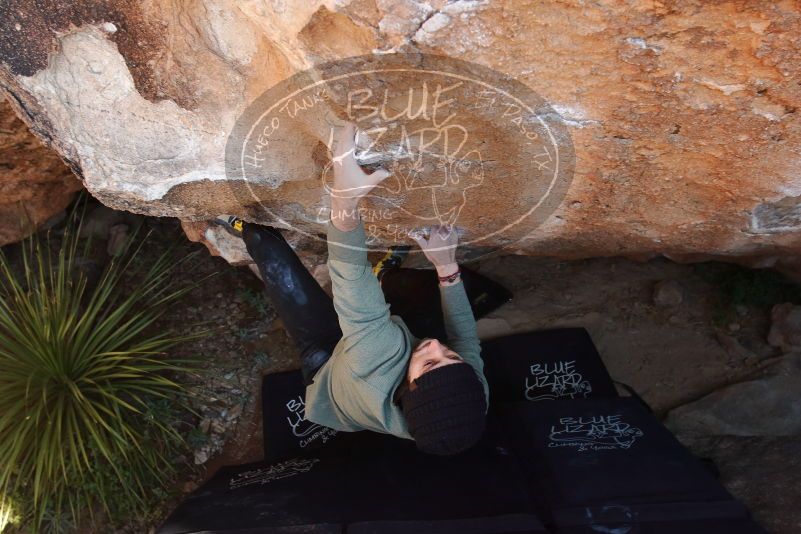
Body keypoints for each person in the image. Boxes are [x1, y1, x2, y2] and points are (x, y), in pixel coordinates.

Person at [224, 122, 488, 455]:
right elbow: (464, 338)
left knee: (271, 248)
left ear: (407, 391)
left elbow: (351, 279)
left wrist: (344, 198)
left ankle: (241, 226)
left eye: (431, 364)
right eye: (451, 357)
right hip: (378, 354)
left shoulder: (377, 362)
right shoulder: (467, 395)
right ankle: (388, 280)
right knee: (429, 320)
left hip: (328, 364)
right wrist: (447, 267)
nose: (436, 346)